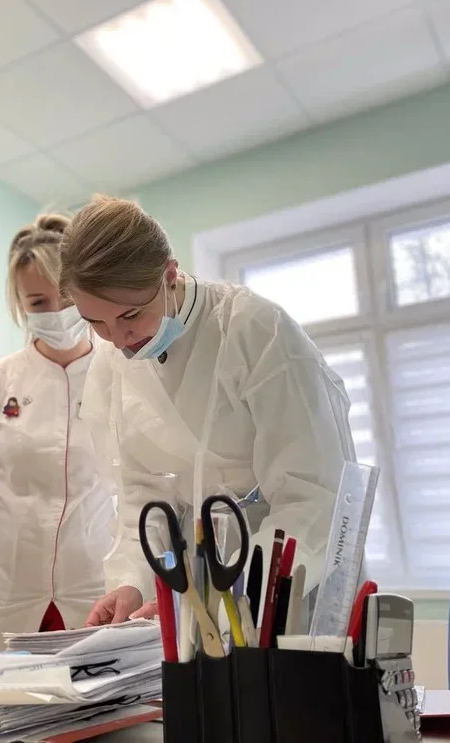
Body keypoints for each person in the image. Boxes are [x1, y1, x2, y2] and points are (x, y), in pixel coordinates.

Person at [57, 195, 356, 626]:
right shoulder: (112, 364)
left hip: (289, 583)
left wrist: (228, 597)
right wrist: (132, 581)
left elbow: (312, 496)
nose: (118, 339)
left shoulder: (253, 330)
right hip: (194, 593)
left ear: (170, 275)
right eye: (95, 323)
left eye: (131, 315)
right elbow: (141, 497)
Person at [0, 214, 115, 658]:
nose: (56, 312)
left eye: (65, 297)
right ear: (20, 305)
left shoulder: (121, 372)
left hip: (95, 586)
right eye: (38, 302)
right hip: (1, 589)